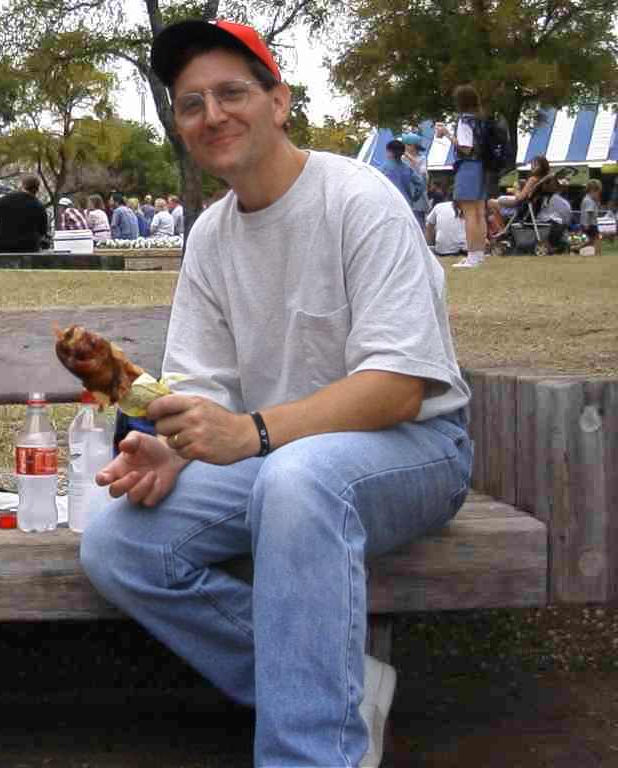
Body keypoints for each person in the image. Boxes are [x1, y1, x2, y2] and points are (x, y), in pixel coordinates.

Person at [79, 19, 471, 768]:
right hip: (283, 457)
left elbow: (397, 388)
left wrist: (251, 433)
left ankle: (311, 752)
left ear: (279, 101)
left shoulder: (360, 200)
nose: (212, 115)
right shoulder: (212, 236)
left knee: (298, 480)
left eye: (232, 92)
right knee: (119, 544)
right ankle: (339, 685)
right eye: (190, 103)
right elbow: (202, 385)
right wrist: (168, 446)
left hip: (416, 450)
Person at [437, 85, 491, 268]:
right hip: (483, 167)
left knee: (469, 214)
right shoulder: (482, 120)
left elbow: (465, 147)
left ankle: (472, 256)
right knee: (480, 213)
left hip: (468, 167)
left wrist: (447, 135)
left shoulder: (464, 121)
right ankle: (480, 254)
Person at [487, 155, 550, 232]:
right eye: (532, 164)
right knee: (495, 202)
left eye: (536, 165)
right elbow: (529, 195)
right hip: (530, 210)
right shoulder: (543, 180)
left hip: (521, 209)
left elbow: (520, 198)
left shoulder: (533, 179)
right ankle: (503, 230)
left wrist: (516, 190)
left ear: (542, 167)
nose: (532, 166)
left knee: (491, 203)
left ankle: (502, 231)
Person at [0, 174, 49, 252]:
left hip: (1, 246)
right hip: (28, 248)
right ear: (37, 189)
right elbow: (42, 231)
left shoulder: (4, 200)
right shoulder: (39, 206)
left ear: (23, 185)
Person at [380, 138, 423, 211]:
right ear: (403, 153)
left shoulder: (382, 170)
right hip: (406, 205)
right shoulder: (408, 169)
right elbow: (420, 184)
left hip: (389, 205)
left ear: (389, 152)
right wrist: (414, 198)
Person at [401, 132, 430, 228]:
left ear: (414, 147)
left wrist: (409, 158)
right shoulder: (401, 158)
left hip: (418, 197)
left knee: (419, 224)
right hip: (405, 195)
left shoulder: (422, 158)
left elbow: (423, 172)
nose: (404, 146)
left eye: (407, 144)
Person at [580, 179, 603, 256]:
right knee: (597, 238)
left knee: (591, 240)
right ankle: (597, 253)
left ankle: (578, 248)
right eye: (598, 193)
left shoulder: (588, 199)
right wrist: (586, 224)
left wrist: (597, 201)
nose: (599, 195)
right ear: (592, 191)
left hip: (588, 224)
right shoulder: (589, 201)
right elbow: (587, 213)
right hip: (590, 224)